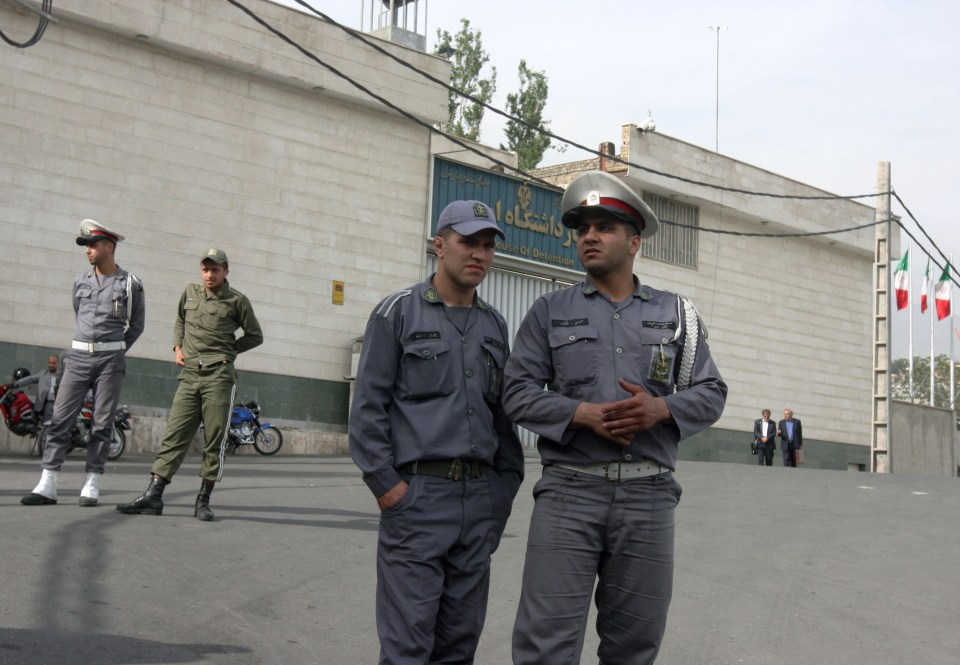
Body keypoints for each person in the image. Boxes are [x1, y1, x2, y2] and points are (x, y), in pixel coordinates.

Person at [502, 171, 727, 665]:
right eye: (582, 228)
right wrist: (579, 414)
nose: (589, 236)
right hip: (569, 495)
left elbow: (712, 392)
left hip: (648, 499)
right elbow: (515, 393)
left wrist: (660, 408)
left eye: (604, 226)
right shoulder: (549, 311)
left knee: (634, 646)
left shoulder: (676, 315)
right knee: (545, 644)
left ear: (634, 241)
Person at [349, 200, 525, 665]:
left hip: (478, 499)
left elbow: (502, 420)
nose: (480, 255)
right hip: (418, 500)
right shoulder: (397, 313)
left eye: (488, 246)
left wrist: (503, 491)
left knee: (458, 646)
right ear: (439, 244)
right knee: (408, 647)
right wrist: (390, 490)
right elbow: (367, 411)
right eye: (469, 242)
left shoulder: (494, 325)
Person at [116, 248, 263, 521]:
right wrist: (177, 346)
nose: (209, 275)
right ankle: (154, 494)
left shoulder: (237, 301)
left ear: (226, 272)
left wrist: (230, 350)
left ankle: (203, 500)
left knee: (215, 440)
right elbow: (180, 320)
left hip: (218, 378)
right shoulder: (190, 292)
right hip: (189, 377)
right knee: (175, 435)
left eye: (215, 270)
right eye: (206, 269)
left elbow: (255, 336)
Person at [21, 219, 145, 507]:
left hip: (110, 361)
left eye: (92, 244)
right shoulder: (80, 281)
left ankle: (92, 480)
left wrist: (115, 351)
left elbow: (136, 325)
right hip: (77, 358)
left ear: (109, 246)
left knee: (101, 422)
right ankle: (48, 482)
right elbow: (79, 314)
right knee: (60, 418)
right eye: (85, 245)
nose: (87, 250)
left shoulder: (130, 284)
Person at [13, 355, 60, 423]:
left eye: (53, 363)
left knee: (50, 424)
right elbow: (30, 379)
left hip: (55, 403)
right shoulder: (43, 373)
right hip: (43, 403)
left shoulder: (62, 375)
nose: (51, 365)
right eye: (50, 363)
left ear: (57, 363)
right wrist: (16, 384)